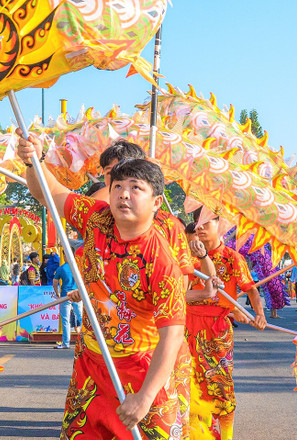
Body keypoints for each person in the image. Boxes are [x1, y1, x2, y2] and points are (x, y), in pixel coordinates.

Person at [18, 131, 187, 438]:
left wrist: (146, 397)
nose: (123, 194)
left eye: (136, 188)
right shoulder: (95, 218)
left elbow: (172, 335)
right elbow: (47, 192)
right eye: (117, 185)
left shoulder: (161, 261)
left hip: (140, 370)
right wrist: (34, 160)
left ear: (156, 202)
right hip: (91, 365)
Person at [186, 212, 267, 440]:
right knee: (192, 381)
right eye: (197, 224)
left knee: (220, 383)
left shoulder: (232, 258)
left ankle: (227, 434)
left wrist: (258, 315)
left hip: (217, 329)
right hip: (188, 326)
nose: (200, 228)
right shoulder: (187, 256)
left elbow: (250, 288)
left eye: (206, 223)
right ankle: (199, 434)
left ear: (220, 225)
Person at [52, 258, 81, 349]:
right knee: (81, 318)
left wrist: (57, 293)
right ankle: (84, 343)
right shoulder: (79, 266)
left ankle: (66, 343)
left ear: (65, 255)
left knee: (65, 320)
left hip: (65, 296)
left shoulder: (61, 268)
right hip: (78, 295)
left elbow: (55, 283)